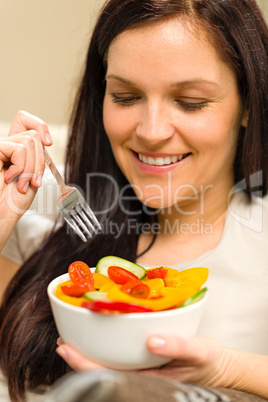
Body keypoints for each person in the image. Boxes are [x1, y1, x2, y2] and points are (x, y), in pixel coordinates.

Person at [0, 0, 268, 401]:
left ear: (247, 103)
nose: (152, 131)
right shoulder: (42, 220)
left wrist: (229, 369)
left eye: (191, 101)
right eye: (125, 97)